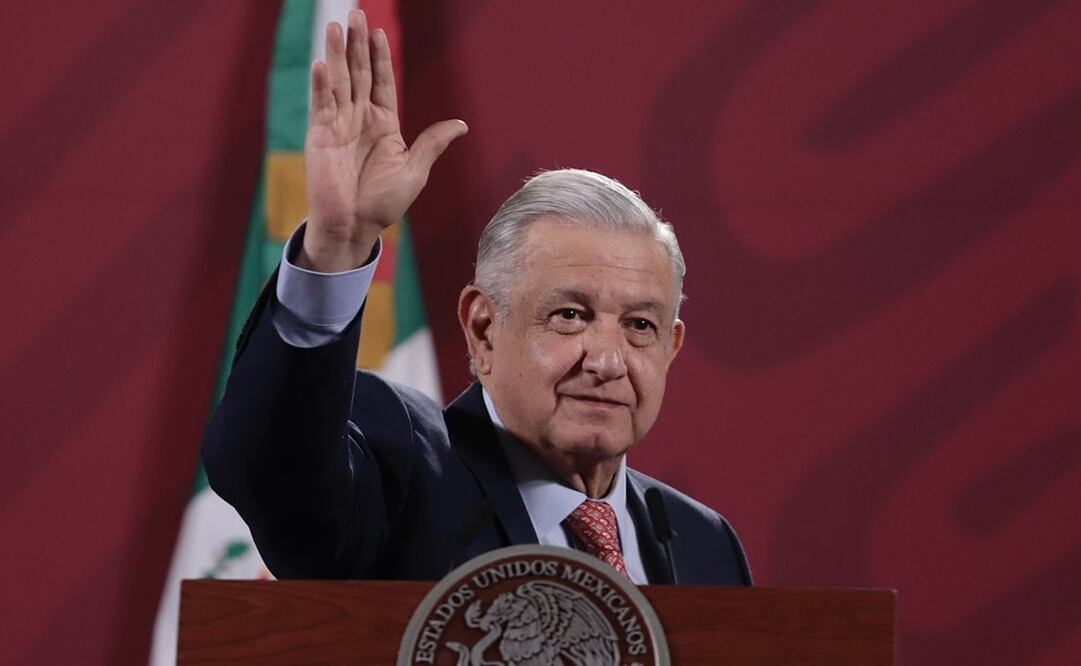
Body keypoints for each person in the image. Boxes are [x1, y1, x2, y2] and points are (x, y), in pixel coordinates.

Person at [203, 10, 750, 585]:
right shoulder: (404, 472)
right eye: (570, 315)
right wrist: (337, 245)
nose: (608, 362)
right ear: (484, 328)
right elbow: (270, 472)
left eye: (640, 326)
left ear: (671, 347)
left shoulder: (705, 544)